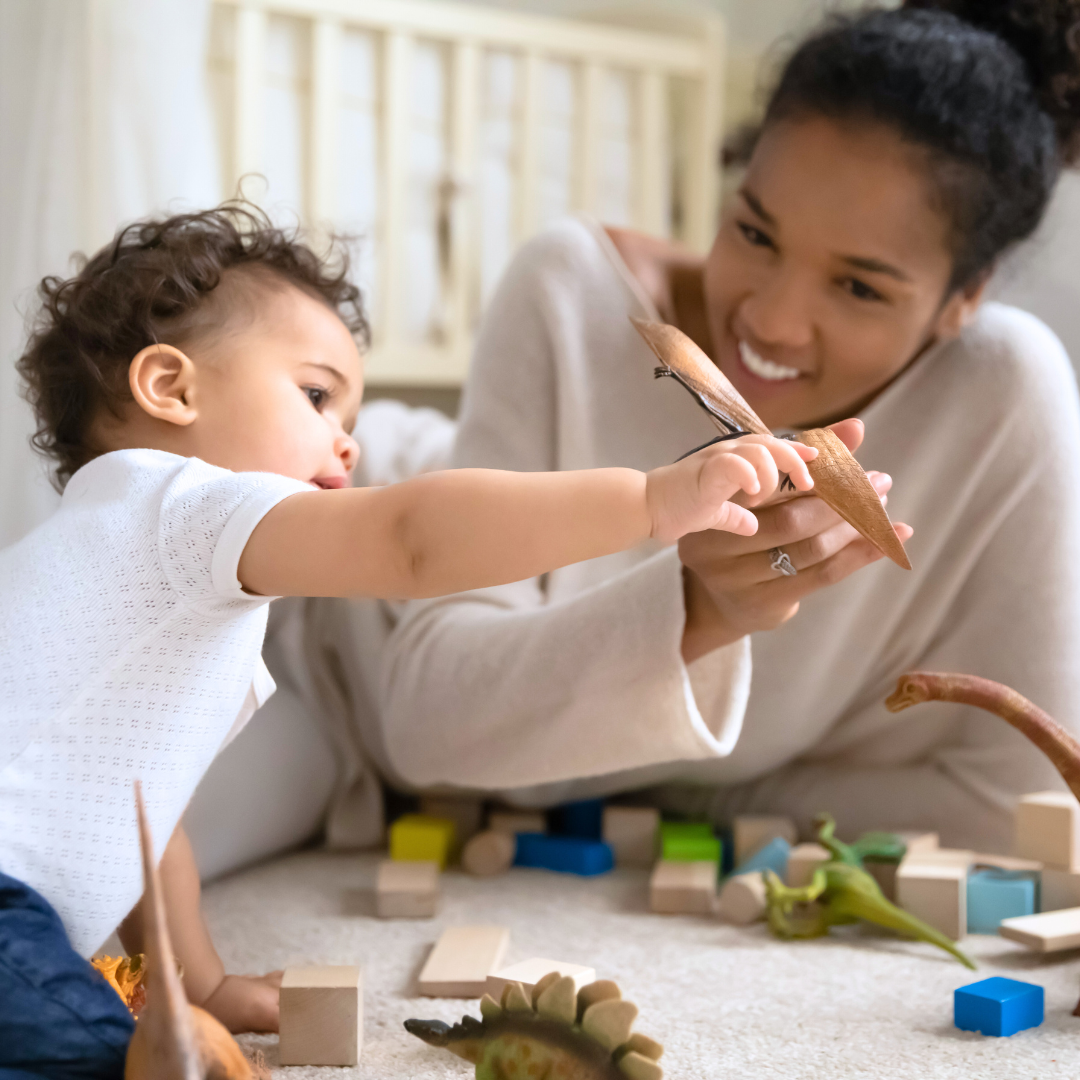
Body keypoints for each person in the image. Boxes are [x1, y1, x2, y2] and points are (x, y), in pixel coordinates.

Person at [0, 205, 812, 1075]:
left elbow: (151, 831)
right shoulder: (186, 506)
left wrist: (200, 982)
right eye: (315, 395)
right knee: (102, 1057)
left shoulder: (125, 565)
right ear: (172, 388)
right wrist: (650, 501)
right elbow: (413, 538)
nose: (347, 443)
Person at [377, 0, 1080, 853]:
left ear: (965, 298)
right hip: (326, 593)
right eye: (754, 231)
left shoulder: (1001, 388)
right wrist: (694, 613)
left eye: (859, 287)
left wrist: (689, 787)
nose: (772, 321)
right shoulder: (572, 295)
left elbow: (1021, 806)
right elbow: (423, 733)